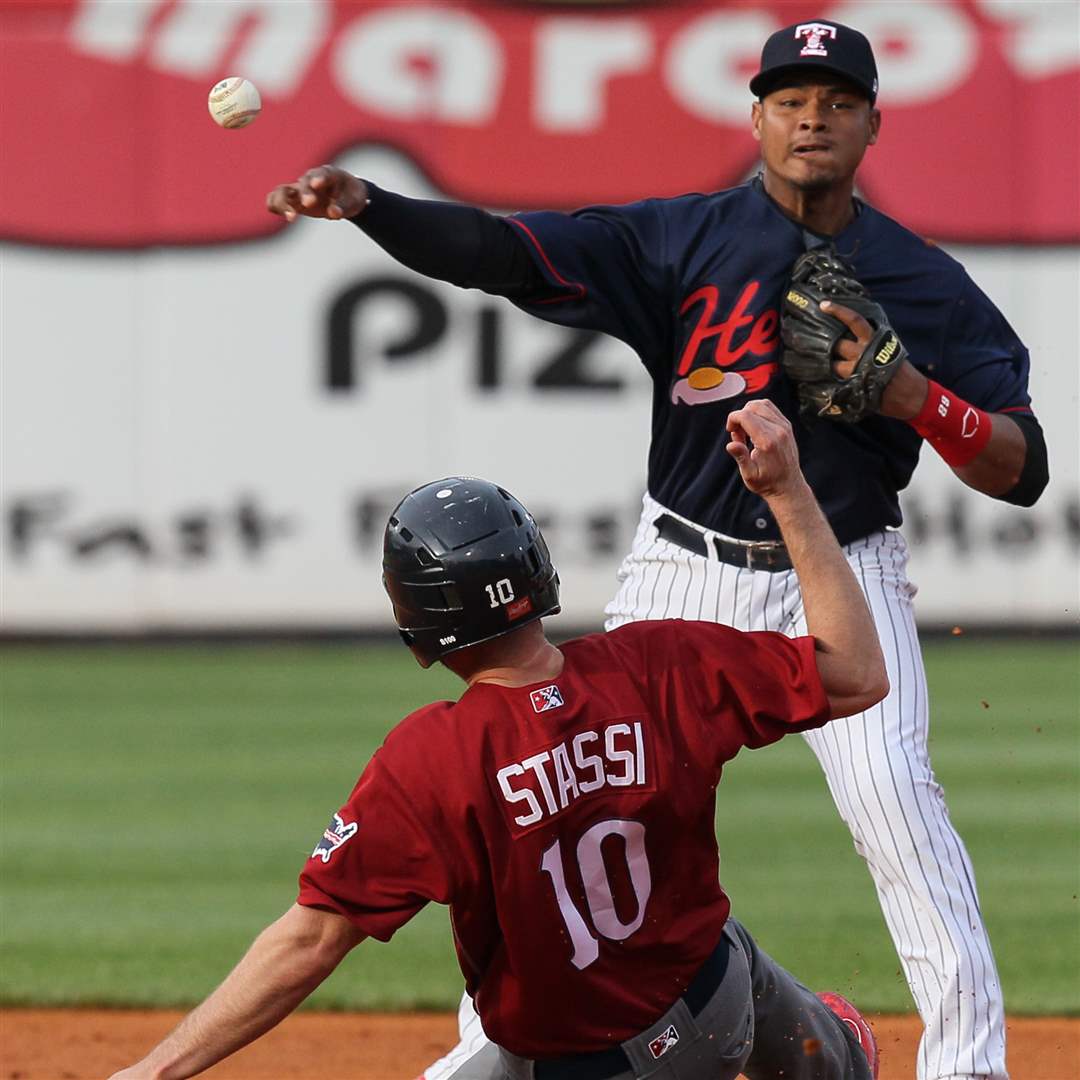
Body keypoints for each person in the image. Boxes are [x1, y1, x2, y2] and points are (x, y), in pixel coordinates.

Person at [266, 20, 1049, 1080]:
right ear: (758, 115)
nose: (811, 114)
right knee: (552, 788)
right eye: (789, 96)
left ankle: (969, 1070)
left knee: (902, 814)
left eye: (836, 99)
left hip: (845, 571)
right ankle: (492, 1051)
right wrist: (373, 208)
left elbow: (1022, 465)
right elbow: (505, 254)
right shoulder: (680, 241)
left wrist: (914, 396)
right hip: (688, 562)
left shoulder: (924, 283)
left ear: (873, 121)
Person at [108, 400, 886, 1080]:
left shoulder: (432, 759)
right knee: (724, 949)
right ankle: (836, 1059)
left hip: (582, 1070)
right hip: (719, 1012)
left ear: (418, 623)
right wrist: (786, 491)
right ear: (535, 571)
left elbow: (313, 937)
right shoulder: (659, 662)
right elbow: (856, 673)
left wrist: (158, 1066)